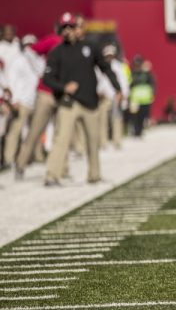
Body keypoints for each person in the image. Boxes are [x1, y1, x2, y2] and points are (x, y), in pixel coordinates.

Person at [42, 14, 121, 186]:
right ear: (61, 31)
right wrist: (63, 87)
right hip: (68, 103)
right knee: (61, 140)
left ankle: (95, 175)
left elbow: (105, 68)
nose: (69, 31)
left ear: (78, 29)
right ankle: (52, 175)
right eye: (65, 28)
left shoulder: (90, 47)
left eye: (72, 27)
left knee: (93, 142)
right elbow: (47, 78)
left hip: (89, 102)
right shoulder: (57, 53)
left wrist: (117, 88)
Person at [14, 19, 65, 179]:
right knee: (35, 130)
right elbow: (30, 51)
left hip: (62, 93)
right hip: (46, 92)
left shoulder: (73, 46)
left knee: (62, 133)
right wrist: (41, 70)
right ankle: (21, 164)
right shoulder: (52, 40)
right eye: (65, 27)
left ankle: (61, 169)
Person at [2, 35, 41, 170]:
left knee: (34, 131)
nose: (30, 48)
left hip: (34, 100)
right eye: (27, 45)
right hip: (21, 101)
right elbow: (12, 81)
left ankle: (34, 157)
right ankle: (9, 159)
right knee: (15, 131)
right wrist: (14, 100)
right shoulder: (18, 61)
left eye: (32, 45)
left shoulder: (37, 60)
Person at [129, 56, 155, 137]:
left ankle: (140, 130)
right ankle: (136, 131)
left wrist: (153, 93)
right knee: (134, 116)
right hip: (135, 99)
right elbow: (129, 84)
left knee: (142, 116)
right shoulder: (132, 74)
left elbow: (152, 84)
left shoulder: (146, 74)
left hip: (145, 99)